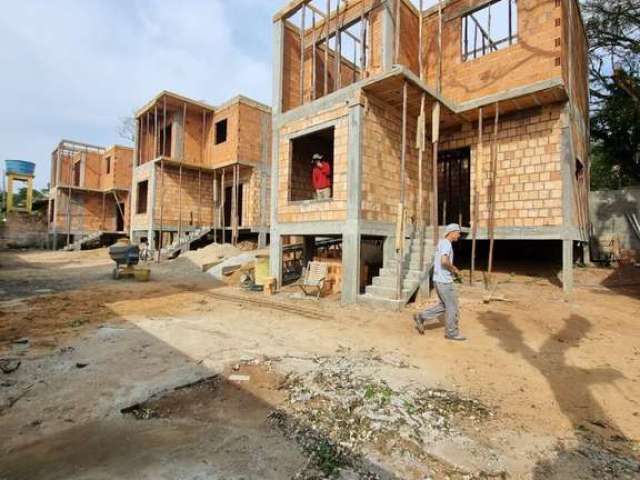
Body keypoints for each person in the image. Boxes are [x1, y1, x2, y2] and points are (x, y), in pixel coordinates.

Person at [414, 223, 466, 341]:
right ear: (452, 232)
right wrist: (454, 269)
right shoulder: (447, 244)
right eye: (458, 233)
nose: (458, 235)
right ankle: (452, 333)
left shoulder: (442, 243)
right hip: (445, 281)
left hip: (438, 280)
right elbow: (444, 261)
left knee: (444, 305)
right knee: (452, 307)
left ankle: (421, 316)